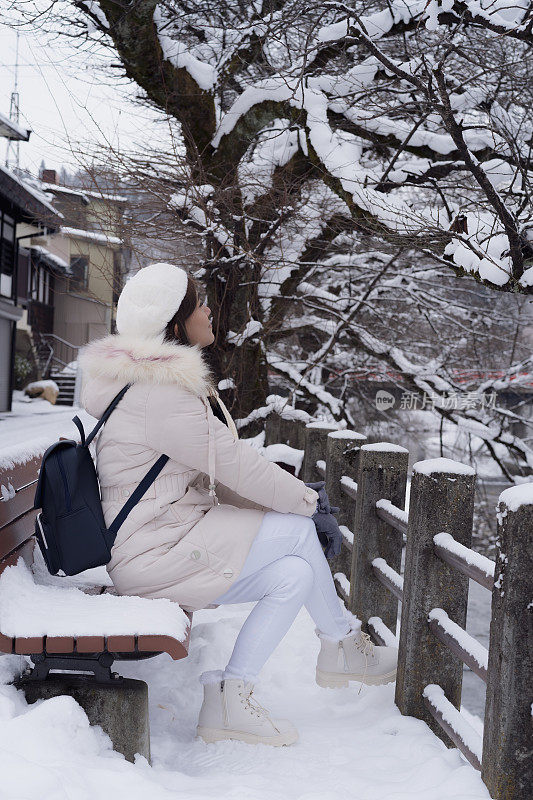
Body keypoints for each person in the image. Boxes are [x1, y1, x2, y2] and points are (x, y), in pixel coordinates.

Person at [79, 262, 397, 748]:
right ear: (175, 322)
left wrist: (297, 500)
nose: (209, 310)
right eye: (199, 303)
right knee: (295, 533)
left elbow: (218, 473)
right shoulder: (159, 396)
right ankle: (342, 645)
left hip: (167, 538)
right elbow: (235, 465)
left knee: (296, 574)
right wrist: (309, 505)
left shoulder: (156, 388)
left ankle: (231, 693)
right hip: (152, 552)